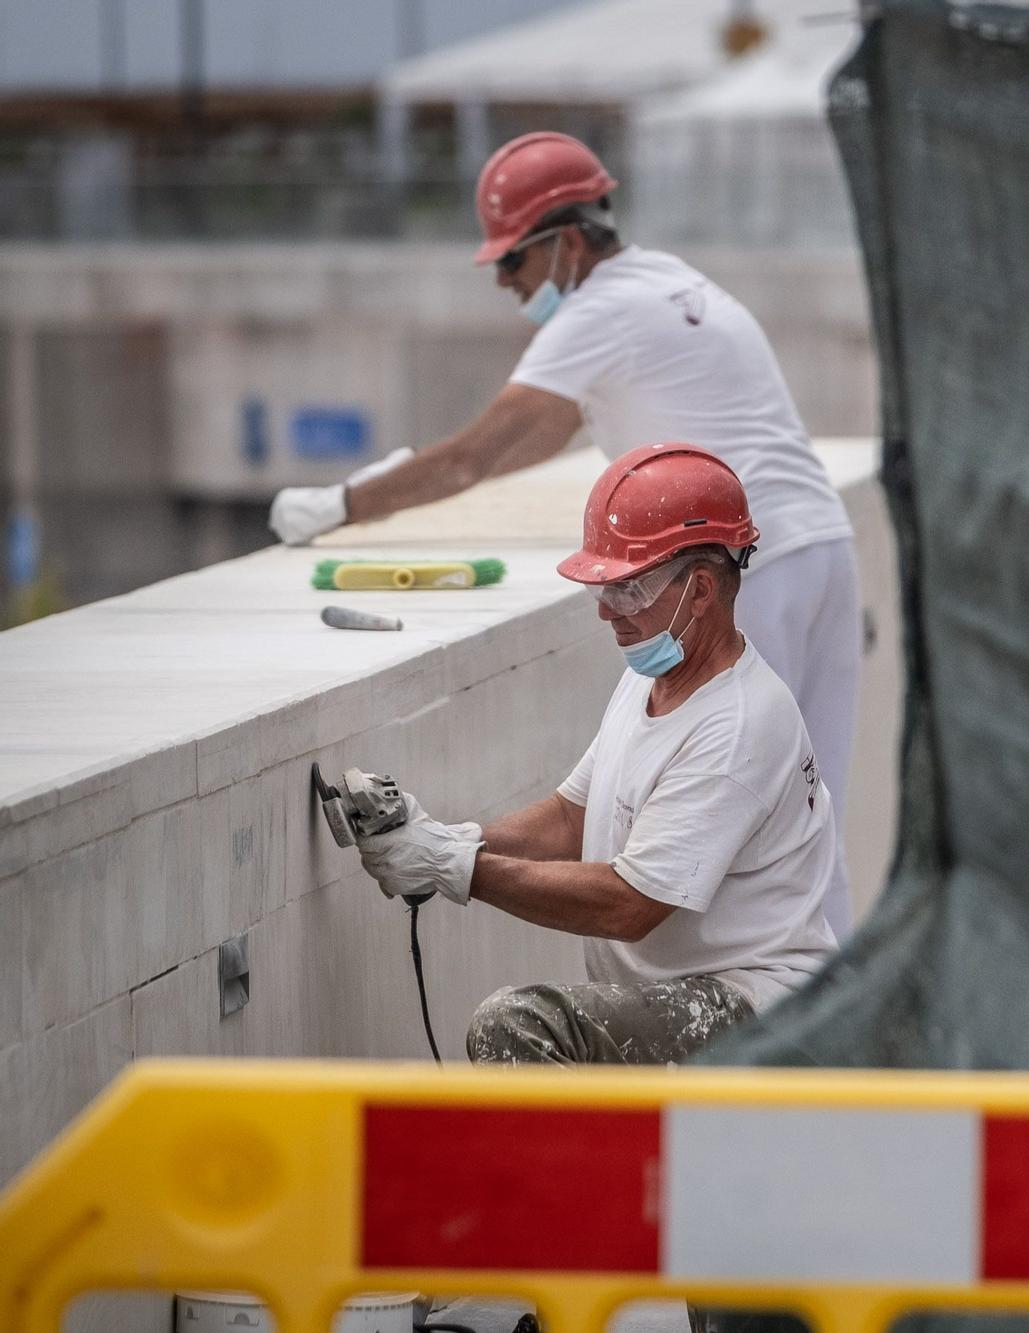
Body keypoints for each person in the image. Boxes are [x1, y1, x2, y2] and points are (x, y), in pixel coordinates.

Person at [273, 131, 861, 933]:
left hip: (735, 567)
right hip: (821, 549)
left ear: (570, 242)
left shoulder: (599, 311)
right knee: (807, 825)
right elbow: (543, 436)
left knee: (742, 840)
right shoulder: (671, 282)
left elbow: (477, 455)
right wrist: (462, 839)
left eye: (514, 262)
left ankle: (763, 1034)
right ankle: (837, 1038)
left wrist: (341, 501)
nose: (508, 285)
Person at [351, 444, 840, 1064]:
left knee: (522, 1027)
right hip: (690, 995)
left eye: (630, 590)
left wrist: (457, 867)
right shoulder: (652, 673)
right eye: (604, 590)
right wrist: (449, 838)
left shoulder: (738, 728)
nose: (610, 612)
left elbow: (631, 904)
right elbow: (570, 818)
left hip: (760, 1016)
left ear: (700, 591)